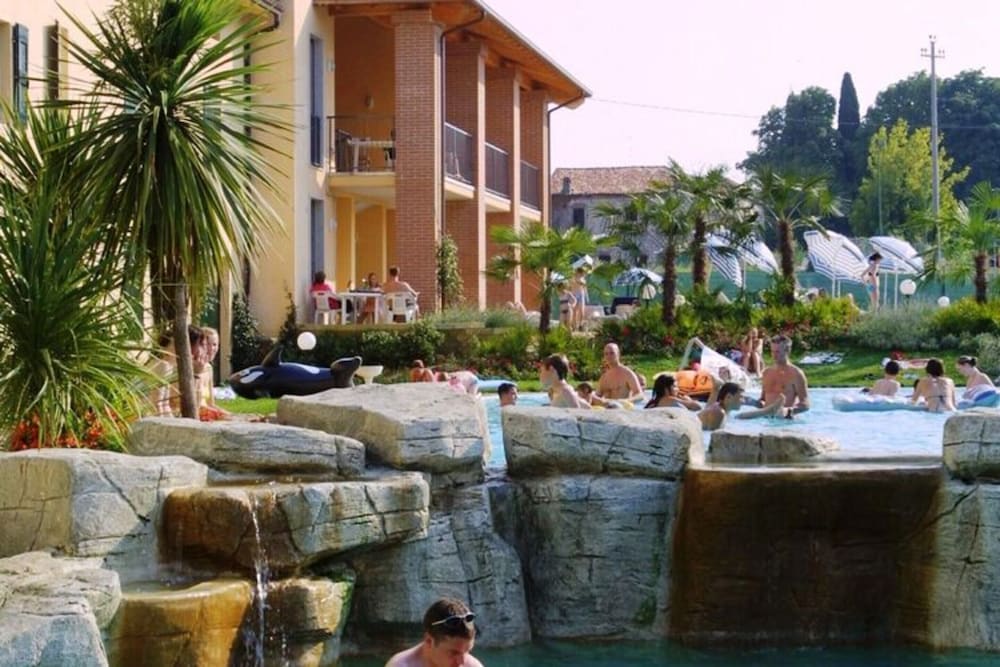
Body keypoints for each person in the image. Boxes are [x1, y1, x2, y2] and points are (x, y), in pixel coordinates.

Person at [385, 598, 484, 667]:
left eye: (467, 651)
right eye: (454, 653)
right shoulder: (400, 665)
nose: (462, 662)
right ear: (429, 641)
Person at [698, 382, 787, 431]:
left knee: (738, 417)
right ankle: (769, 411)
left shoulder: (721, 408)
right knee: (738, 417)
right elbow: (713, 439)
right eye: (740, 397)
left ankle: (769, 410)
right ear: (729, 397)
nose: (743, 401)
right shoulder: (719, 413)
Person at [760, 334, 810, 413]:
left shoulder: (796, 374)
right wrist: (750, 402)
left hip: (785, 418)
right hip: (765, 418)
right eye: (772, 351)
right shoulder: (767, 372)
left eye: (777, 352)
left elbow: (805, 404)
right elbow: (762, 400)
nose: (774, 355)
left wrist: (786, 411)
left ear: (787, 351)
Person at [196, 327, 229, 421]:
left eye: (214, 344)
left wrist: (231, 415)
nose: (211, 348)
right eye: (207, 344)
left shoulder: (209, 368)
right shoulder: (191, 368)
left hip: (207, 415)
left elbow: (211, 404)